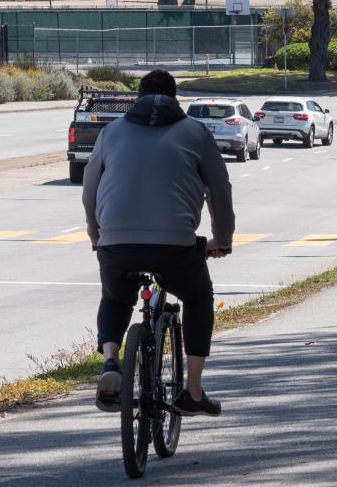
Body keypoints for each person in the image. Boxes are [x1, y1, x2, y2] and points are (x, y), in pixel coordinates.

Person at [83, 69, 235, 416]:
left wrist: (97, 236)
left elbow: (90, 190)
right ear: (175, 97)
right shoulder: (195, 133)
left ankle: (110, 362)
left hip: (116, 244)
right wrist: (222, 239)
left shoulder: (112, 132)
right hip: (175, 247)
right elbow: (220, 190)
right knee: (198, 298)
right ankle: (193, 392)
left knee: (115, 296)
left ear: (137, 97)